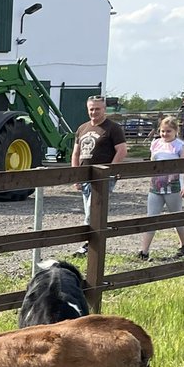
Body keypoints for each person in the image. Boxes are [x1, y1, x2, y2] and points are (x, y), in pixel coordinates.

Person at [70, 95, 128, 256]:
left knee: (93, 211)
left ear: (104, 109)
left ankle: (89, 246)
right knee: (88, 209)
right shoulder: (82, 128)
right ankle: (94, 242)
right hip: (85, 176)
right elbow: (76, 153)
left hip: (102, 177)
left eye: (97, 109)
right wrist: (76, 175)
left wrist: (110, 171)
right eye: (91, 109)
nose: (94, 112)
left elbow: (122, 150)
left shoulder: (112, 128)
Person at [138, 116, 184, 260]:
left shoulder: (180, 146)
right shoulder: (155, 144)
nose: (165, 134)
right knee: (151, 218)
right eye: (162, 131)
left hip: (173, 186)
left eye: (168, 131)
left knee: (177, 217)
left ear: (175, 131)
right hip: (155, 186)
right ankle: (144, 251)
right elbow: (152, 163)